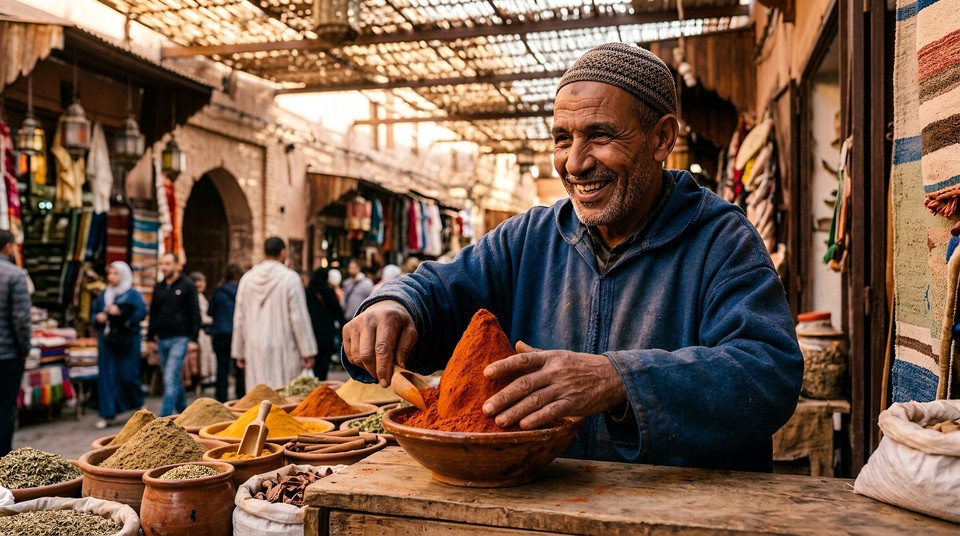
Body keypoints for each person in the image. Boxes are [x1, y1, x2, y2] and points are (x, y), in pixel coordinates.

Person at [342, 43, 803, 473]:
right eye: (562, 139)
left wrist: (619, 380)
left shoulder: (721, 239)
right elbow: (439, 289)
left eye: (600, 135)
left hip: (677, 511)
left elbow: (767, 372)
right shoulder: (530, 237)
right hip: (543, 502)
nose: (575, 163)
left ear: (662, 138)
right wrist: (395, 305)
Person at [232, 237, 317, 388]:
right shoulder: (290, 279)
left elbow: (240, 317)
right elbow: (298, 318)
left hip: (254, 345)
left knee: (258, 394)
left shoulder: (247, 279)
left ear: (264, 252)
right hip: (283, 344)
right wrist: (307, 351)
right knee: (283, 394)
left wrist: (239, 351)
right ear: (283, 253)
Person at [91, 261, 146, 429]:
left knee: (128, 374)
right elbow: (94, 314)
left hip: (127, 342)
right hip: (107, 341)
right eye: (110, 273)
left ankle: (136, 404)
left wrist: (120, 313)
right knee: (107, 377)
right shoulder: (104, 295)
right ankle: (107, 414)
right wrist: (98, 318)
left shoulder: (132, 294)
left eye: (115, 273)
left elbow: (140, 313)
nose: (111, 277)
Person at [147, 253, 200, 417]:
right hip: (162, 338)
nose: (164, 267)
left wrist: (193, 338)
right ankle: (184, 411)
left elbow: (194, 313)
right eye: (162, 264)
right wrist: (150, 337)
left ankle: (164, 419)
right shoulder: (159, 286)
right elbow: (154, 312)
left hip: (180, 337)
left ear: (177, 265)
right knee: (173, 377)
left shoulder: (187, 285)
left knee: (170, 378)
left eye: (168, 264)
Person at [0, 230, 30, 455]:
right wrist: (25, 348)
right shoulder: (15, 275)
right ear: (8, 247)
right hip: (7, 354)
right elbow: (21, 319)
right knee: (5, 407)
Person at [209, 264, 244, 402]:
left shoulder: (219, 291)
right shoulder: (241, 291)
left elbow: (211, 311)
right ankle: (240, 395)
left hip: (220, 332)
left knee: (222, 366)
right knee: (239, 366)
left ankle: (221, 397)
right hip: (236, 332)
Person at [305, 268, 347, 380]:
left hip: (310, 330)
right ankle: (321, 381)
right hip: (325, 331)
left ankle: (315, 380)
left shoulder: (307, 291)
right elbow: (337, 311)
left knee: (314, 359)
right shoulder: (328, 291)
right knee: (323, 360)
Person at [189, 271, 216, 390]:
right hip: (200, 330)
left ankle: (207, 377)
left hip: (205, 330)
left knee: (207, 354)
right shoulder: (194, 297)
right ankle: (202, 378)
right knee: (201, 356)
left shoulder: (201, 296)